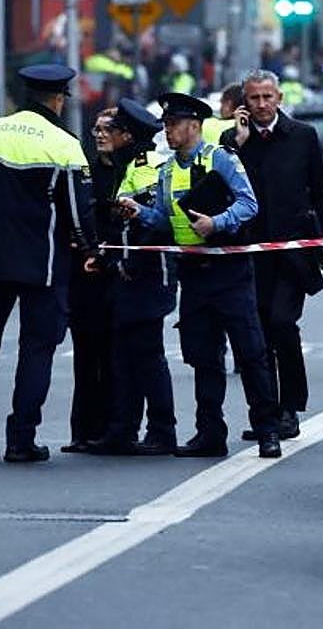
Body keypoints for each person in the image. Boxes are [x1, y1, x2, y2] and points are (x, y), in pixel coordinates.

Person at [0, 64, 98, 464]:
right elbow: (79, 217)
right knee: (36, 352)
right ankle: (21, 440)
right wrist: (91, 254)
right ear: (59, 98)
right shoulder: (65, 145)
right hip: (45, 268)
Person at [118, 92, 282, 459]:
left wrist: (217, 223)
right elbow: (163, 218)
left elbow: (249, 203)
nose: (167, 131)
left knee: (250, 352)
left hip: (229, 270)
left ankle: (267, 430)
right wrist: (138, 214)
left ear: (194, 125)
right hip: (192, 274)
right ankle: (210, 433)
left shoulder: (219, 159)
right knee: (202, 356)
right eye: (165, 124)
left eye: (173, 124)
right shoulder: (165, 171)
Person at [223, 70, 323, 440]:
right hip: (250, 253)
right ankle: (266, 413)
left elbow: (321, 191)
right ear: (244, 103)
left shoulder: (303, 136)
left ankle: (290, 408)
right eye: (254, 99)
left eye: (267, 97)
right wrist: (238, 143)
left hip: (292, 252)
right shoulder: (233, 140)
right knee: (255, 335)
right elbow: (221, 186)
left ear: (280, 98)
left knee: (282, 325)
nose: (261, 105)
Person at [86, 99, 179, 455]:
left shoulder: (150, 167)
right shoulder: (127, 167)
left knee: (148, 355)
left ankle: (162, 431)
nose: (107, 134)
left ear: (129, 136)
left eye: (114, 130)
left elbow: (158, 223)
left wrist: (129, 262)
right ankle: (122, 430)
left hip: (149, 276)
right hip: (126, 274)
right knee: (123, 355)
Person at [61, 108, 123, 454]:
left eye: (107, 129)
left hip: (116, 273)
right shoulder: (84, 170)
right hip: (84, 275)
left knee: (114, 355)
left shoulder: (132, 171)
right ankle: (83, 430)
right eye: (96, 129)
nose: (100, 135)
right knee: (85, 353)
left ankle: (115, 427)